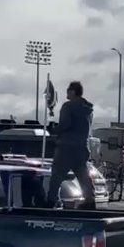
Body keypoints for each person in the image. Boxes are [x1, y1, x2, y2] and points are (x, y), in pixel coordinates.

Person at [46, 81, 97, 209]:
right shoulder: (88, 109)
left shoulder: (68, 106)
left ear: (73, 91)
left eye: (68, 91)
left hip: (66, 147)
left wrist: (54, 129)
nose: (66, 94)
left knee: (56, 176)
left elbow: (66, 124)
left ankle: (52, 200)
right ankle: (89, 199)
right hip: (81, 147)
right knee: (83, 175)